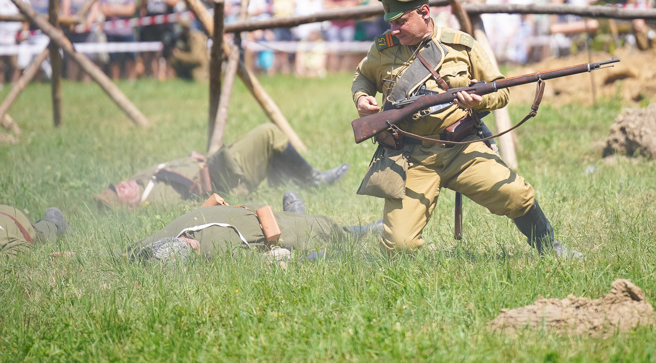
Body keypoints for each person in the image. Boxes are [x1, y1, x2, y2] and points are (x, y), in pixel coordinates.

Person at [351, 0, 580, 257]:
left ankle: (549, 248)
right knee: (399, 246)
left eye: (401, 21)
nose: (394, 30)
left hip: (461, 146)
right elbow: (363, 76)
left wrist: (479, 102)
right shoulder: (383, 49)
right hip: (410, 156)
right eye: (391, 22)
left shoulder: (460, 44)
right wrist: (361, 97)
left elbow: (502, 90)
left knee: (517, 195)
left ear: (424, 12)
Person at [93, 123, 349, 210]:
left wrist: (191, 159)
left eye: (114, 185)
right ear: (128, 206)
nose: (120, 185)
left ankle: (281, 183)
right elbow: (197, 198)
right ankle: (312, 180)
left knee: (265, 142)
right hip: (227, 180)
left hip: (215, 164)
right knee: (268, 134)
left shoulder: (139, 181)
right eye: (118, 192)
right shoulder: (156, 200)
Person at [129, 191, 380, 263]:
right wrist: (278, 258)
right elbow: (257, 261)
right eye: (186, 249)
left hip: (251, 209)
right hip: (272, 229)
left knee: (306, 223)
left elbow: (133, 250)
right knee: (324, 228)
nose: (188, 242)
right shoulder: (214, 255)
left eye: (182, 243)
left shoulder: (166, 236)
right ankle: (371, 229)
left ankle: (296, 214)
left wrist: (134, 255)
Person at [94, 0, 137, 81]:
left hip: (127, 30)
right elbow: (103, 9)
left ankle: (131, 81)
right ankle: (115, 81)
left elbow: (131, 10)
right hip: (111, 31)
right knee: (113, 59)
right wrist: (121, 9)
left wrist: (113, 9)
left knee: (131, 57)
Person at [140, 0, 181, 79]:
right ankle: (154, 77)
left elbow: (175, 1)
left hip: (166, 25)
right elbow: (142, 6)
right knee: (152, 53)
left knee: (167, 53)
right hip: (150, 26)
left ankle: (167, 77)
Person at [0, 205, 70, 257]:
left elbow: (22, 248)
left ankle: (54, 221)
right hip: (7, 215)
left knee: (43, 234)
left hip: (18, 222)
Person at [0, 0, 30, 86]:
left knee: (16, 64)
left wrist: (23, 33)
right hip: (1, 36)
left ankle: (15, 85)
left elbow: (27, 17)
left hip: (15, 36)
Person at [61, 0, 91, 81]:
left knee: (87, 59)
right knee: (71, 58)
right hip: (72, 31)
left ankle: (87, 82)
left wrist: (86, 25)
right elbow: (65, 12)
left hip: (87, 33)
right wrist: (72, 23)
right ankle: (71, 81)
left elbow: (93, 13)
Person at [169, 18, 208, 82]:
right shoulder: (185, 39)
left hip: (199, 75)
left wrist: (179, 55)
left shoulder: (195, 39)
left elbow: (196, 58)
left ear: (185, 29)